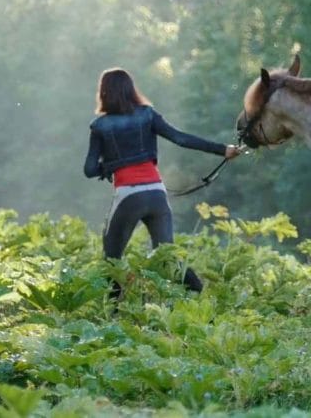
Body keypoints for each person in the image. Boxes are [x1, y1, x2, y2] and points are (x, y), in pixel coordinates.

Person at [83, 68, 241, 297]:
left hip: (128, 196)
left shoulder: (99, 126)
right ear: (130, 89)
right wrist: (223, 150)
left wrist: (108, 167)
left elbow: (89, 170)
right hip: (157, 194)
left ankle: (112, 315)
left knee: (112, 261)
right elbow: (181, 138)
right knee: (169, 258)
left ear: (103, 92)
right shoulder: (148, 114)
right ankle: (202, 298)